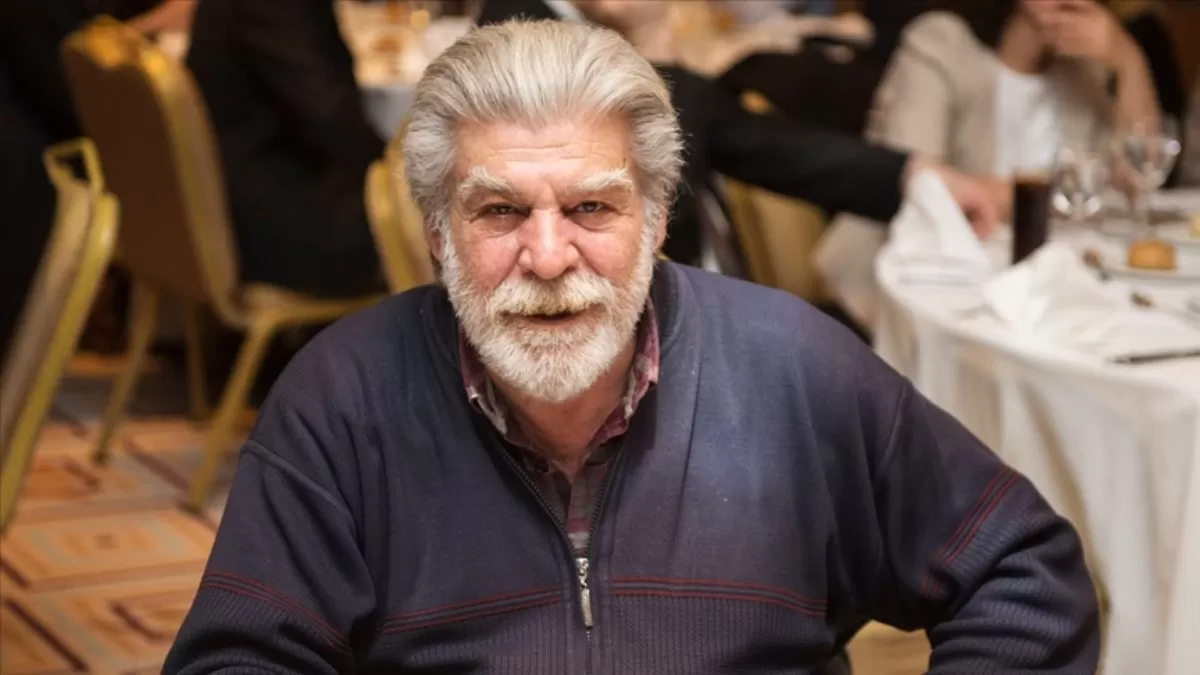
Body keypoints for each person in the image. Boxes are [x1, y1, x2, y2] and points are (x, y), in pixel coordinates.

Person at [165, 20, 1100, 673]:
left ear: (655, 223)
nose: (547, 256)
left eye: (591, 207)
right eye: (499, 211)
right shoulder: (343, 398)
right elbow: (237, 658)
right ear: (438, 236)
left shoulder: (793, 370)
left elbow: (1023, 571)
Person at [476, 0, 1002, 272]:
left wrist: (913, 176)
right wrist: (651, 42)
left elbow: (754, 142)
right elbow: (655, 218)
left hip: (716, 295)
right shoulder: (514, 36)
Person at [817, 0, 1161, 329]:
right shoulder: (941, 42)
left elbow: (1134, 181)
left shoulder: (1082, 69)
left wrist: (1128, 61)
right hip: (919, 291)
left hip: (1042, 294)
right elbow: (918, 187)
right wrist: (1063, 199)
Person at [186, 0, 386, 297]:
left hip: (238, 199)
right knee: (432, 217)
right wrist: (401, 172)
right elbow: (331, 117)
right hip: (274, 226)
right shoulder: (273, 7)